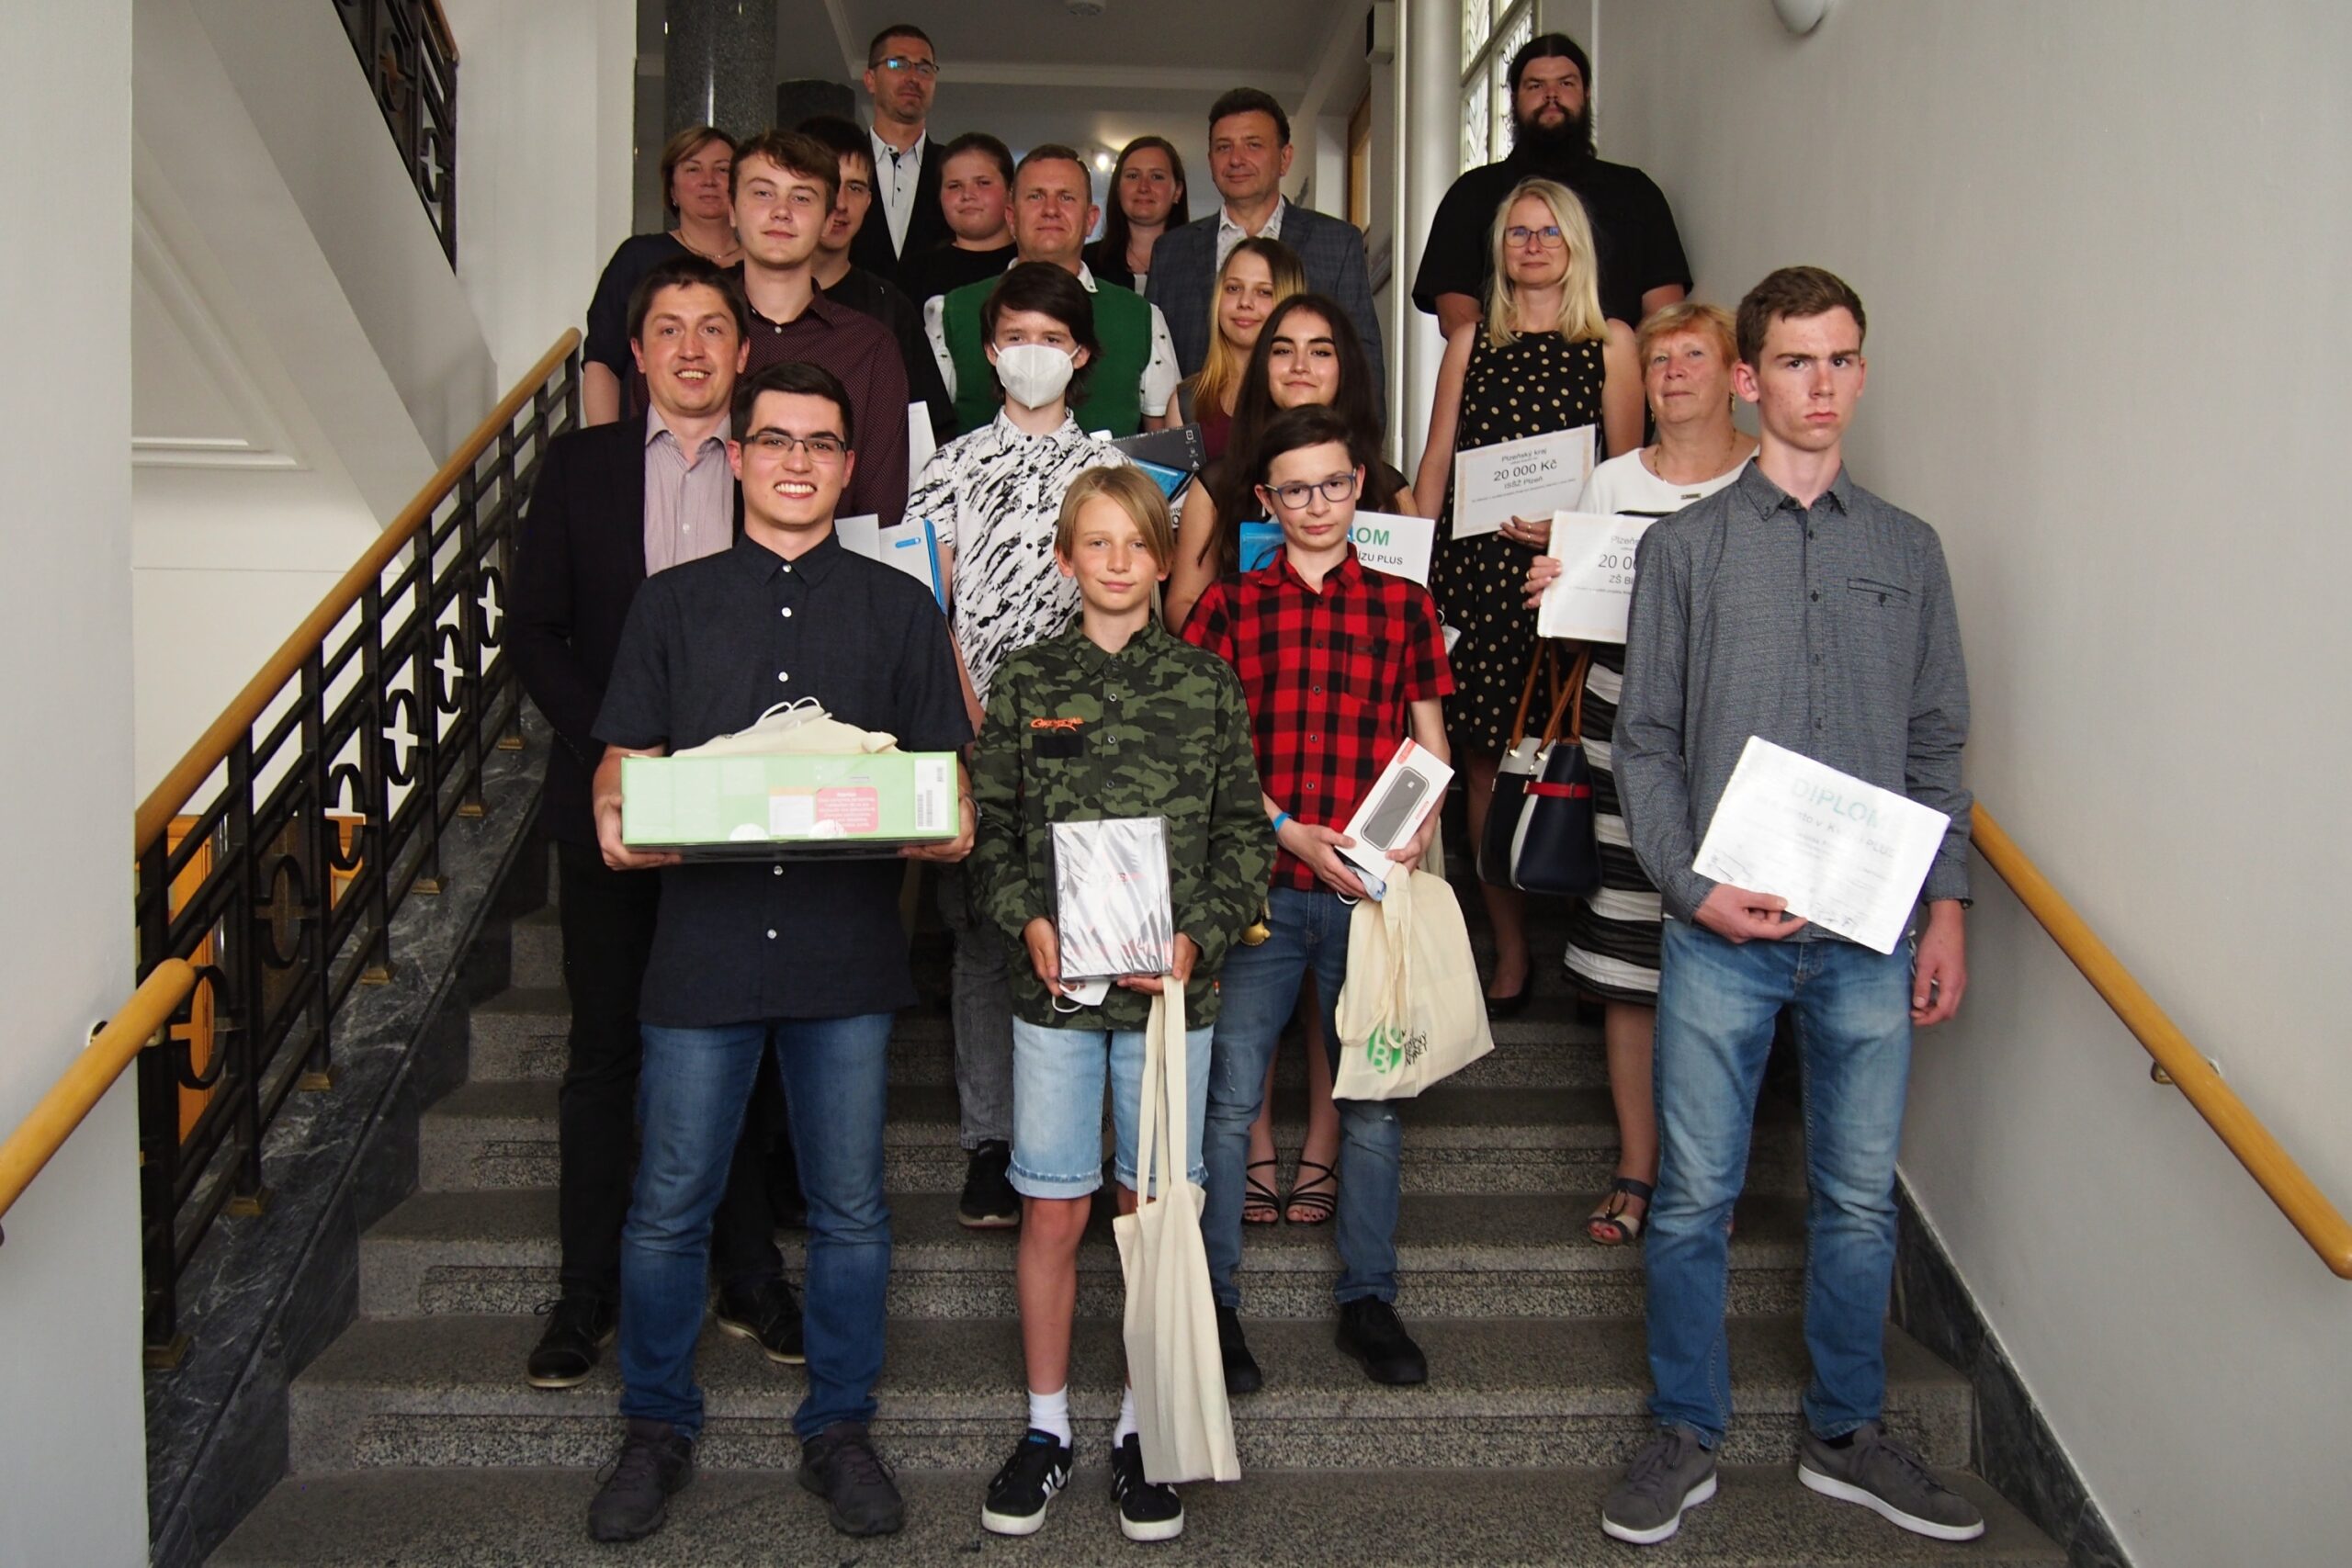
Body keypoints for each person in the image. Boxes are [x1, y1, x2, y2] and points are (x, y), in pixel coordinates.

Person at [1600, 267, 1979, 1547]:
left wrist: (1947, 907)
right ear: (1749, 379)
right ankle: (1684, 1430)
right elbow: (1645, 742)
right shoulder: (1683, 550)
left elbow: (1935, 745)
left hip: (1869, 938)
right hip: (1724, 937)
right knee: (1693, 1198)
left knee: (1859, 1202)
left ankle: (1846, 1432)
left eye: (1842, 359)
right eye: (1798, 361)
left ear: (1862, 372)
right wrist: (1691, 888)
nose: (1823, 384)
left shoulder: (1908, 552)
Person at [582, 360, 975, 1545]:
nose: (797, 462)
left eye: (820, 444)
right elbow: (622, 759)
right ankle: (654, 1427)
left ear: (848, 468)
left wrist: (951, 819)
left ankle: (840, 1427)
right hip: (700, 955)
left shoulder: (901, 609)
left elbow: (944, 775)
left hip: (844, 957)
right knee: (667, 1206)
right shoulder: (670, 604)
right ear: (740, 457)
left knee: (851, 1210)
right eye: (776, 441)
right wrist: (613, 809)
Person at [510, 255, 806, 1391]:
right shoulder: (579, 468)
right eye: (668, 329)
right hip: (613, 803)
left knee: (742, 1043)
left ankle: (748, 1273)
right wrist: (621, 743)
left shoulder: (773, 466)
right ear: (634, 355)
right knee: (606, 1053)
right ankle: (585, 1291)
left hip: (742, 806)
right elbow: (534, 629)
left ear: (744, 352)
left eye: (712, 328)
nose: (691, 347)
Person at [969, 466, 1271, 1545]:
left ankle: (1143, 1430)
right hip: (1053, 999)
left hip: (1169, 1004)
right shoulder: (1025, 681)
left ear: (1162, 560)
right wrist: (1026, 919)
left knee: (1151, 1216)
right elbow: (992, 835)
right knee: (1054, 1210)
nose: (1115, 561)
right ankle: (1046, 1428)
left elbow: (1243, 836)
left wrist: (1196, 937)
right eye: (1093, 543)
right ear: (1064, 559)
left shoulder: (1205, 685)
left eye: (1136, 544)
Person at [1184, 404, 1453, 1397]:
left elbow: (1429, 743)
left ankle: (1368, 1298)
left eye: (1333, 484)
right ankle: (1214, 1304)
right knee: (1227, 1104)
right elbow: (1208, 753)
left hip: (1367, 895)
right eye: (1294, 490)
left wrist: (1415, 831)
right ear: (1265, 500)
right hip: (1259, 888)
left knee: (1371, 1103)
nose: (1315, 505)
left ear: (1359, 487)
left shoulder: (1402, 606)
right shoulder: (1228, 609)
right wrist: (1286, 828)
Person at [1521, 302, 1756, 1247]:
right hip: (1624, 722)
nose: (1672, 372)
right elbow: (1581, 620)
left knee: (1729, 954)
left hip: (1739, 737)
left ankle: (1707, 1179)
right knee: (1627, 952)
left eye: (1694, 355)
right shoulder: (1613, 481)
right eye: (1658, 360)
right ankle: (1637, 1164)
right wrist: (1555, 588)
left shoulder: (1764, 477)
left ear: (1735, 375)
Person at [908, 263, 1131, 1229]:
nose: (1031, 353)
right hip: (974, 732)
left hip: (1088, 736)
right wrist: (970, 728)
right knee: (982, 939)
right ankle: (990, 1142)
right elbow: (927, 609)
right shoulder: (947, 466)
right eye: (1014, 337)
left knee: (1087, 924)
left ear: (1080, 354)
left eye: (1052, 337)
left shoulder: (1114, 470)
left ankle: (1082, 1142)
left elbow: (1131, 599)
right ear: (989, 350)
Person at [1411, 177, 1639, 1017]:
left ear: (1575, 245)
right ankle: (1509, 948)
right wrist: (1409, 571)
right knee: (1484, 764)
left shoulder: (1612, 341)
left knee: (1581, 757)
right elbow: (1437, 458)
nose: (1533, 246)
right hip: (1475, 578)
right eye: (1518, 232)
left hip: (1569, 582)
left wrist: (1572, 533)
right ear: (1500, 249)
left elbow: (1628, 474)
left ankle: (1592, 946)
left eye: (1549, 232)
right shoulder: (1469, 339)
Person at [1412, 31, 1690, 339]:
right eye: (1536, 85)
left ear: (1586, 94)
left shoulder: (1637, 193)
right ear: (1514, 98)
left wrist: (1617, 361)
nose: (1551, 95)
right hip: (1501, 366)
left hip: (1618, 366)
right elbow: (1457, 317)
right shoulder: (1470, 195)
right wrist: (1505, 361)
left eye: (1566, 84)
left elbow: (1665, 317)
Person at [1167, 293, 1408, 633]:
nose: (1300, 365)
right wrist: (1239, 651)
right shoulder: (1217, 485)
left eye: (1320, 351)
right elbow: (1183, 602)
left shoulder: (1388, 489)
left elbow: (1411, 611)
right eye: (1282, 350)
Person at [1150, 90, 1386, 417]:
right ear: (1210, 160)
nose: (1236, 159)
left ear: (1285, 158)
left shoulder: (1336, 241)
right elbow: (1154, 363)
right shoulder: (1171, 251)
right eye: (1223, 147)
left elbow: (1363, 359)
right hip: (1199, 433)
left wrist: (1358, 443)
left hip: (1307, 435)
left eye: (1253, 145)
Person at [925, 145, 1180, 439]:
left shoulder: (1142, 317)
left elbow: (1164, 445)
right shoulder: (951, 312)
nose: (1050, 210)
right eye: (1035, 196)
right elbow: (928, 438)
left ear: (1091, 219)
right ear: (1011, 216)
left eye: (1066, 197)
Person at [725, 130, 912, 524]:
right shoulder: (694, 337)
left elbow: (880, 513)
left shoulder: (869, 347)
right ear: (732, 210)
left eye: (801, 198)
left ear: (828, 220)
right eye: (763, 193)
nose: (781, 211)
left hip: (834, 559)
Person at [797, 114, 955, 441]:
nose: (841, 204)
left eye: (855, 188)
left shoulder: (890, 309)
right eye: (828, 184)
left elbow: (929, 428)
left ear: (869, 200)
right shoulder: (741, 295)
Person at [582, 127, 739, 426]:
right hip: (649, 436)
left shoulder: (760, 266)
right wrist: (606, 444)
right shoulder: (638, 257)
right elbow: (603, 362)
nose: (708, 180)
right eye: (693, 169)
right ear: (672, 189)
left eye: (722, 170)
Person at [1175, 236, 1304, 463]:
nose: (1245, 302)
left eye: (1264, 292)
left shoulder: (1306, 390)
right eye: (1233, 288)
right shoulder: (1187, 401)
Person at [848, 22, 947, 282]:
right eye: (898, 64)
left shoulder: (952, 169)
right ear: (870, 80)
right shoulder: (839, 164)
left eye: (924, 68)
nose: (913, 77)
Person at [899, 131, 1018, 308]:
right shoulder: (912, 274)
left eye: (983, 183)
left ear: (1011, 192)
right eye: (954, 186)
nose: (967, 195)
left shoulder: (1032, 263)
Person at [1083, 135, 1189, 294]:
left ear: (1177, 191)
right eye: (1133, 176)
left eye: (1157, 177)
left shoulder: (1200, 262)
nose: (1143, 187)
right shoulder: (1085, 263)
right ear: (1118, 188)